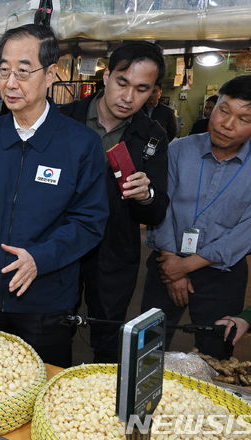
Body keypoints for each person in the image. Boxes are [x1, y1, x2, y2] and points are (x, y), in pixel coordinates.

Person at [0, 24, 109, 368]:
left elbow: (89, 221)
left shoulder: (80, 144)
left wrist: (40, 258)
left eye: (23, 71)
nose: (10, 82)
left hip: (46, 301)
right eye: (4, 70)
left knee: (41, 391)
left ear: (50, 75)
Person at [141, 74, 251, 359]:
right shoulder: (178, 150)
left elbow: (242, 235)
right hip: (167, 263)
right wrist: (172, 265)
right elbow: (160, 210)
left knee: (215, 352)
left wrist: (184, 267)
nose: (227, 124)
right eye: (223, 110)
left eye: (244, 119)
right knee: (146, 347)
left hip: (221, 275)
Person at [59, 41, 169, 363]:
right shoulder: (64, 119)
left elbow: (158, 209)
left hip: (114, 249)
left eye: (141, 89)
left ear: (152, 92)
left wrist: (145, 195)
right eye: (122, 82)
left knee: (108, 337)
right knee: (52, 328)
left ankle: (101, 406)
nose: (128, 97)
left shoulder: (153, 136)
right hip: (61, 243)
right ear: (106, 76)